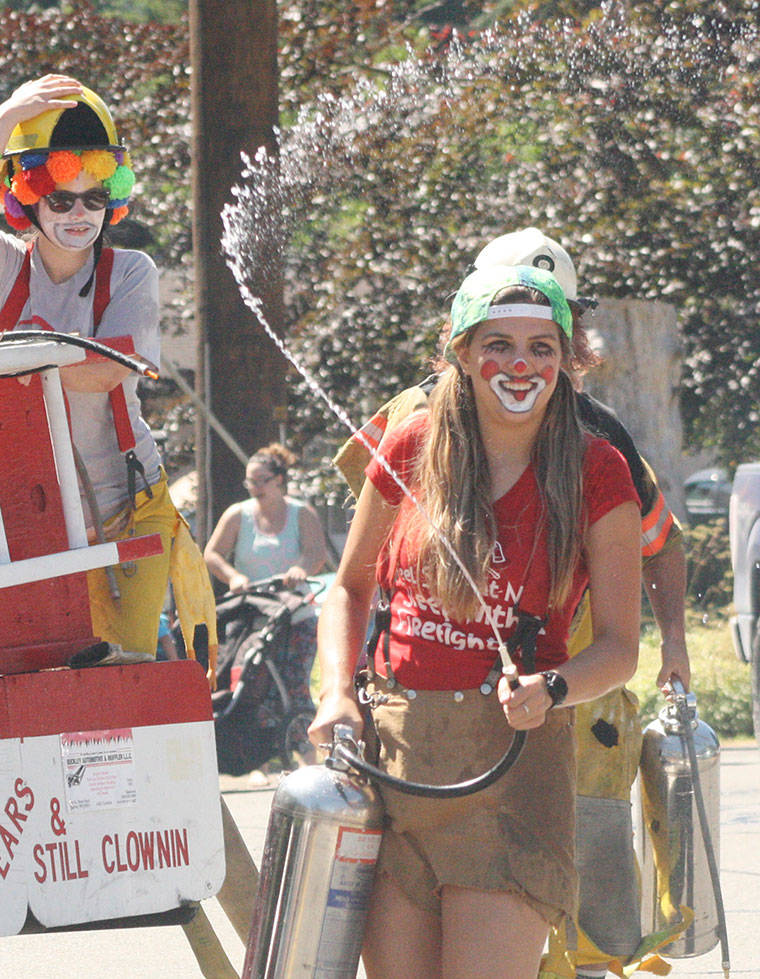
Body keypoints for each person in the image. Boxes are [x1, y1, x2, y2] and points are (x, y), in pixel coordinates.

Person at [0, 76, 243, 978]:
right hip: (32, 537)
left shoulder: (132, 273)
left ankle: (247, 935)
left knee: (159, 721)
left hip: (128, 520)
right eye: (59, 192)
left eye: (96, 191)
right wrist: (5, 116)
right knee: (76, 731)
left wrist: (6, 361)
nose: (80, 211)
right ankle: (107, 894)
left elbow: (96, 378)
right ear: (26, 193)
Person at [333, 228, 690, 978]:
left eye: (541, 348)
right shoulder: (408, 442)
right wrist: (336, 694)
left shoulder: (601, 465)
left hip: (516, 771)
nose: (519, 365)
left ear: (567, 359)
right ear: (461, 351)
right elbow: (350, 585)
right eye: (497, 344)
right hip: (395, 765)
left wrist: (553, 687)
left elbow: (620, 647)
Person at [204, 443, 328, 706]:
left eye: (262, 481)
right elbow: (212, 554)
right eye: (250, 481)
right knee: (253, 690)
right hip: (255, 616)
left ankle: (301, 739)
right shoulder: (238, 515)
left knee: (294, 688)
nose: (255, 487)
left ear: (279, 480)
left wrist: (300, 569)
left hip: (294, 614)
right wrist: (233, 576)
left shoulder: (302, 513)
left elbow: (317, 554)